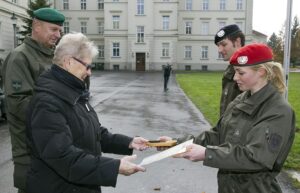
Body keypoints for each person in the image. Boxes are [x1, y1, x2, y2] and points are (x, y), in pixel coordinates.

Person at [160, 43, 296, 193]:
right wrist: (177, 144)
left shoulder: (278, 110)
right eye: (235, 71)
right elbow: (218, 135)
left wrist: (207, 154)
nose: (235, 77)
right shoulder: (241, 99)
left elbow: (256, 158)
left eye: (241, 72)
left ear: (261, 72)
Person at [26, 32, 148, 193]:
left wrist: (128, 142)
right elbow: (62, 157)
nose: (90, 72)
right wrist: (114, 167)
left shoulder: (72, 91)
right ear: (69, 62)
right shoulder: (47, 102)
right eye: (87, 66)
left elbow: (93, 132)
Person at [2, 8, 65, 193]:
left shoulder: (52, 57)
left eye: (60, 30)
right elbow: (19, 105)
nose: (58, 35)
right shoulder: (20, 57)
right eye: (53, 29)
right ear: (36, 26)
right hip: (32, 154)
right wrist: (63, 108)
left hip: (53, 150)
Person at [215, 24, 245, 116]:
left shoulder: (250, 71)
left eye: (223, 44)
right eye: (218, 46)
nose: (219, 50)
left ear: (237, 42)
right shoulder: (230, 69)